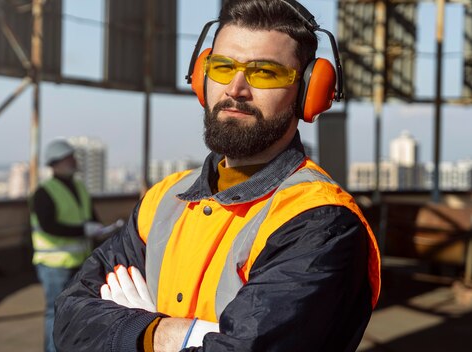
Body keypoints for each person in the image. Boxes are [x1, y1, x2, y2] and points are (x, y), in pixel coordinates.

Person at [54, 1, 381, 351]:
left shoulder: (320, 222)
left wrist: (136, 331)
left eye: (265, 72)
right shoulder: (163, 200)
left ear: (307, 93)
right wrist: (168, 335)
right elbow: (70, 318)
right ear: (201, 77)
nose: (235, 89)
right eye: (222, 67)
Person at [30, 138, 104, 352]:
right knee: (55, 312)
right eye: (68, 157)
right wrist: (84, 230)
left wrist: (99, 230)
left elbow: (90, 217)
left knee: (78, 311)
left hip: (80, 261)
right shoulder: (44, 191)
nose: (73, 161)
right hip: (54, 265)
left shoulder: (79, 187)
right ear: (55, 162)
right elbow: (48, 226)